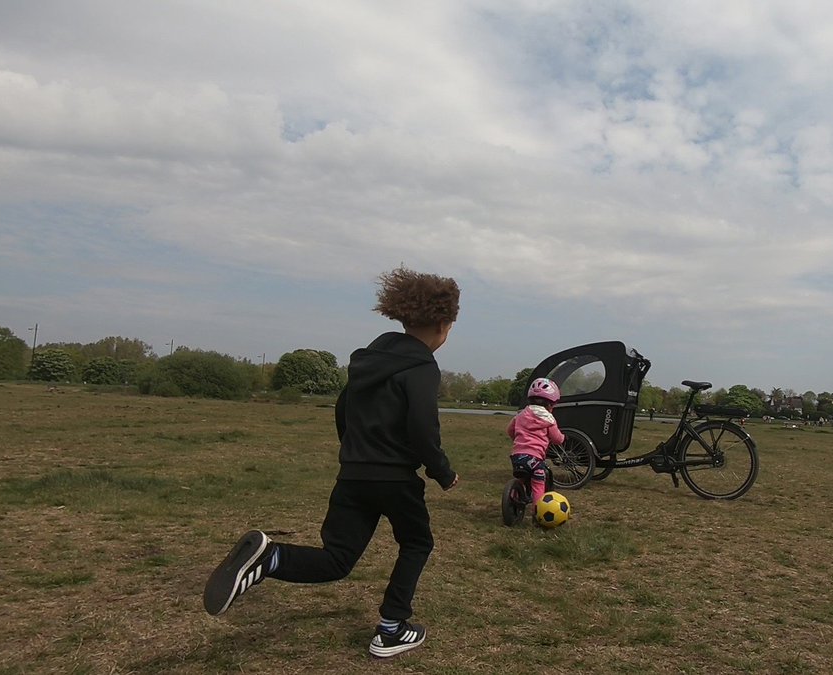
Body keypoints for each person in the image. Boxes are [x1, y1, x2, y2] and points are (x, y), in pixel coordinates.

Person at [202, 266, 460, 659]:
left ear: (405, 317)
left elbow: (343, 410)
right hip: (395, 481)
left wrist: (357, 453)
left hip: (354, 475)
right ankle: (391, 629)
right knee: (417, 542)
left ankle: (270, 557)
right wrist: (443, 472)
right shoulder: (422, 366)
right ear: (443, 323)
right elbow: (423, 428)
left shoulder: (367, 361)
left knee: (337, 559)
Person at [506, 377, 565, 516]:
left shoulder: (520, 415)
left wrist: (519, 439)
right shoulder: (549, 420)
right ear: (551, 404)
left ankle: (513, 498)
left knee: (521, 478)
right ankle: (538, 513)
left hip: (517, 456)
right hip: (535, 459)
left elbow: (509, 430)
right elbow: (557, 439)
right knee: (538, 483)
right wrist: (563, 438)